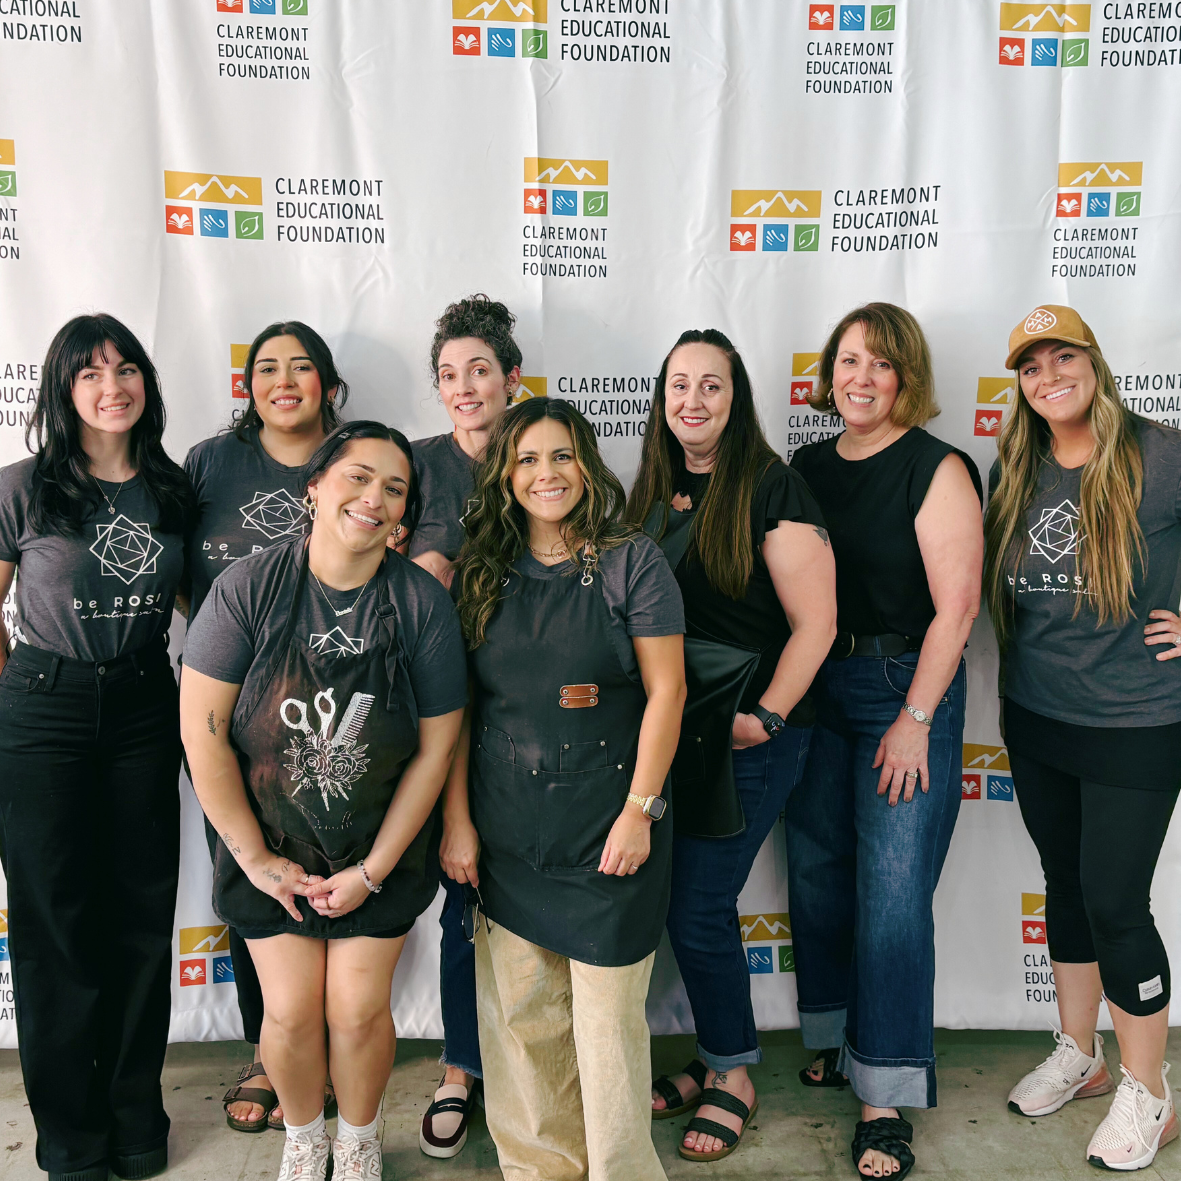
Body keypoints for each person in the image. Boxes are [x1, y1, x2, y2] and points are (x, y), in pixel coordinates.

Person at [180, 422, 466, 1181]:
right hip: (268, 844)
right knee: (291, 1013)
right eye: (357, 476)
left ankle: (361, 1139)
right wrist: (258, 859)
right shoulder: (248, 587)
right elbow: (203, 734)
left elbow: (435, 748)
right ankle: (305, 1136)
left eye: (394, 488)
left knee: (357, 1011)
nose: (373, 497)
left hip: (378, 845)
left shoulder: (419, 604)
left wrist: (373, 869)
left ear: (405, 514)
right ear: (314, 485)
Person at [451, 397, 686, 1181]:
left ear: (586, 463)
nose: (544, 474)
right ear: (503, 475)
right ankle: (538, 1170)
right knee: (522, 1024)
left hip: (609, 826)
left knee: (607, 1030)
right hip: (508, 827)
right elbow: (459, 711)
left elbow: (667, 694)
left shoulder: (631, 561)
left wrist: (639, 811)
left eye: (560, 455)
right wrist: (459, 822)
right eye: (525, 460)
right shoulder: (480, 567)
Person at [626, 329, 837, 1163]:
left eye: (710, 386)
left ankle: (734, 1072)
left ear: (736, 397)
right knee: (680, 902)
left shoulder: (771, 488)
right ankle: (716, 1048)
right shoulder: (652, 489)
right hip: (676, 727)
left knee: (698, 904)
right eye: (679, 384)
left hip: (750, 732)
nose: (692, 401)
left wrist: (769, 717)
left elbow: (815, 624)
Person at [787, 302, 983, 1181]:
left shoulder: (936, 466)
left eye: (879, 364)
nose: (858, 377)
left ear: (906, 377)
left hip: (906, 690)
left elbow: (958, 607)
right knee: (820, 874)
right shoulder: (804, 465)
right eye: (846, 360)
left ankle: (883, 1093)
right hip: (817, 688)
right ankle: (833, 1039)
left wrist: (913, 718)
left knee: (893, 894)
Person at [0, 314, 194, 1181]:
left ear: (146, 381)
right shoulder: (23, 488)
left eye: (125, 368)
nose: (110, 385)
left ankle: (135, 1117)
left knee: (141, 922)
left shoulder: (172, 488)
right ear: (63, 389)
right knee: (54, 927)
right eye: (89, 373)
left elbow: (211, 608)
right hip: (43, 709)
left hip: (148, 704)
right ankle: (70, 1138)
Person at [989, 306, 1181, 1171]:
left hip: (1136, 719)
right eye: (1030, 366)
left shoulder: (1160, 451)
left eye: (1061, 356)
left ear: (1093, 364)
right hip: (1035, 716)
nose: (1046, 376)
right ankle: (1082, 1053)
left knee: (1114, 901)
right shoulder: (1018, 464)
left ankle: (1151, 1091)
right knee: (1063, 886)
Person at [181, 320, 348, 1133]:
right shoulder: (213, 463)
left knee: (338, 888)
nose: (285, 381)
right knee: (254, 884)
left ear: (327, 382)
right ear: (248, 386)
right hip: (232, 727)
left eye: (302, 367)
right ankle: (267, 1049)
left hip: (341, 724)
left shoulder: (356, 454)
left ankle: (325, 1055)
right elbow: (187, 580)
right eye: (267, 368)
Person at [410, 294, 520, 1159]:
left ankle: (529, 1065)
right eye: (448, 374)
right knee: (461, 896)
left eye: (479, 369)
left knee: (534, 899)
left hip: (534, 710)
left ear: (512, 378)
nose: (463, 386)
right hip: (444, 711)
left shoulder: (546, 454)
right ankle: (459, 1066)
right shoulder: (412, 464)